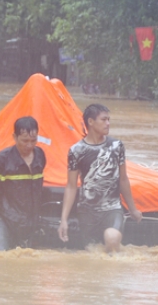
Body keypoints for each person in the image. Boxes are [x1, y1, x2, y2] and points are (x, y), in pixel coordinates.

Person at [58, 104, 142, 253]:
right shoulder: (76, 151)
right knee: (92, 252)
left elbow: (123, 179)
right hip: (87, 211)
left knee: (111, 239)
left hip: (112, 209)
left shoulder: (116, 146)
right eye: (104, 120)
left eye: (109, 120)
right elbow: (71, 186)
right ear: (90, 122)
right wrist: (63, 219)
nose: (108, 123)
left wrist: (133, 209)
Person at [0, 116, 46, 250]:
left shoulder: (40, 155)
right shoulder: (2, 159)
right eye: (24, 140)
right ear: (14, 137)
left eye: (33, 140)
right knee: (1, 257)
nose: (29, 145)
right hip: (4, 219)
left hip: (30, 219)